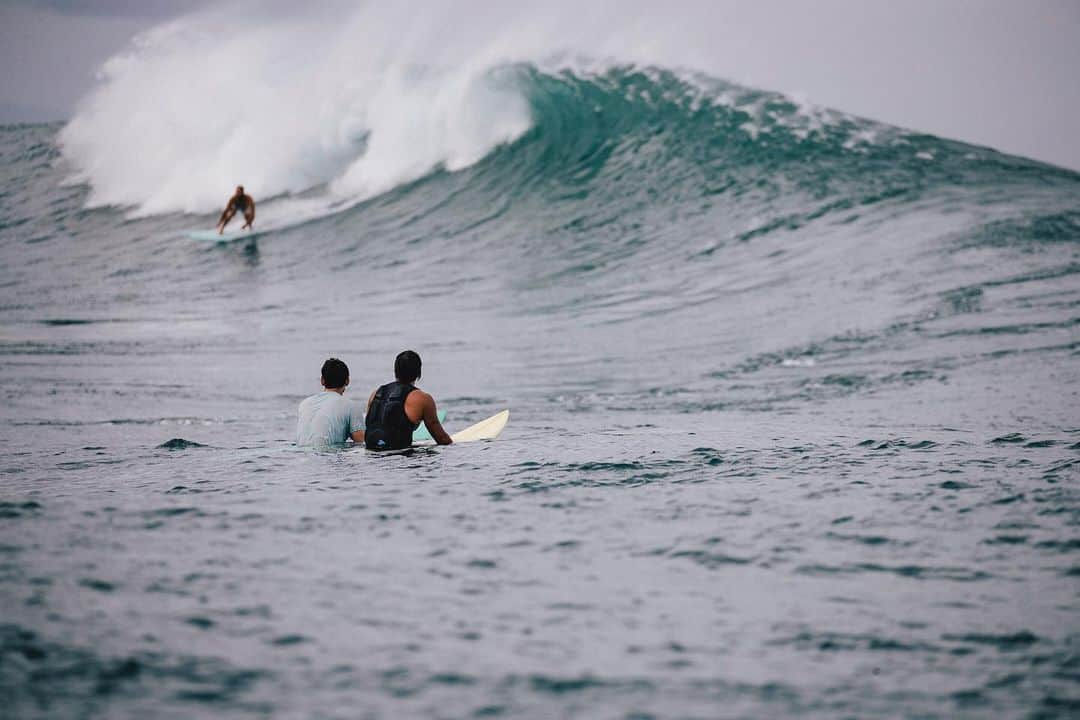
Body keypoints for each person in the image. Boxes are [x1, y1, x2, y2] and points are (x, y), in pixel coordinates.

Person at [365, 350, 451, 451]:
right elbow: (441, 438)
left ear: (395, 371)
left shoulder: (376, 393)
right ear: (418, 373)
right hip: (398, 457)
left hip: (370, 453)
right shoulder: (422, 399)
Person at [296, 358, 365, 448]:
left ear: (322, 380)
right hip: (328, 458)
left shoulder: (304, 404)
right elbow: (361, 443)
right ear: (347, 380)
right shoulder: (351, 406)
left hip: (300, 457)